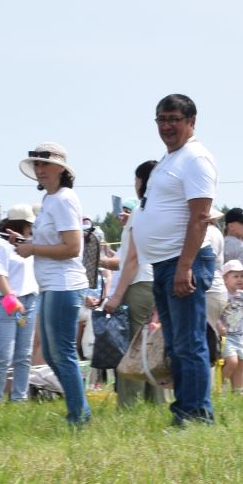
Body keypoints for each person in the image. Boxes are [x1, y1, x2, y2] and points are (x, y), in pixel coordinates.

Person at [133, 94, 219, 425]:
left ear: (191, 121)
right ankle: (185, 408)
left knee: (189, 342)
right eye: (161, 120)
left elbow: (199, 217)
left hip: (184, 262)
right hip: (165, 263)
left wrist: (185, 267)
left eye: (174, 119)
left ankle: (196, 414)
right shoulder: (170, 160)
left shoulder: (196, 159)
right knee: (177, 343)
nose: (167, 126)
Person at [16, 142, 92, 426]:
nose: (39, 169)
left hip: (64, 284)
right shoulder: (51, 200)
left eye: (44, 164)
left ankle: (79, 414)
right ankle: (78, 408)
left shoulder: (63, 199)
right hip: (51, 285)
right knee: (51, 352)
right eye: (36, 164)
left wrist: (32, 248)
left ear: (61, 168)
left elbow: (73, 247)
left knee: (61, 352)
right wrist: (29, 245)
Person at [100, 161, 163, 410]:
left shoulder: (140, 213)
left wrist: (116, 295)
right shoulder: (156, 210)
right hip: (152, 283)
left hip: (137, 286)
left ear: (142, 181)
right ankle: (154, 402)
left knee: (131, 349)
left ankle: (129, 406)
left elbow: (133, 261)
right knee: (150, 346)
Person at [0, 205, 38, 403]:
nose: (31, 227)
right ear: (21, 223)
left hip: (27, 303)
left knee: (24, 354)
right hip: (5, 303)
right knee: (4, 355)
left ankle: (19, 398)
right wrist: (11, 298)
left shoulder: (28, 243)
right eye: (29, 224)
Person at [220, 259, 243, 392]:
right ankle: (221, 384)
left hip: (241, 334)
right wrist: (219, 326)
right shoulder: (223, 295)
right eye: (235, 276)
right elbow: (215, 313)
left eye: (242, 276)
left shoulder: (242, 294)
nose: (240, 279)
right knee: (232, 361)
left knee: (242, 362)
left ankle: (238, 390)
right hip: (227, 335)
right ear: (225, 279)